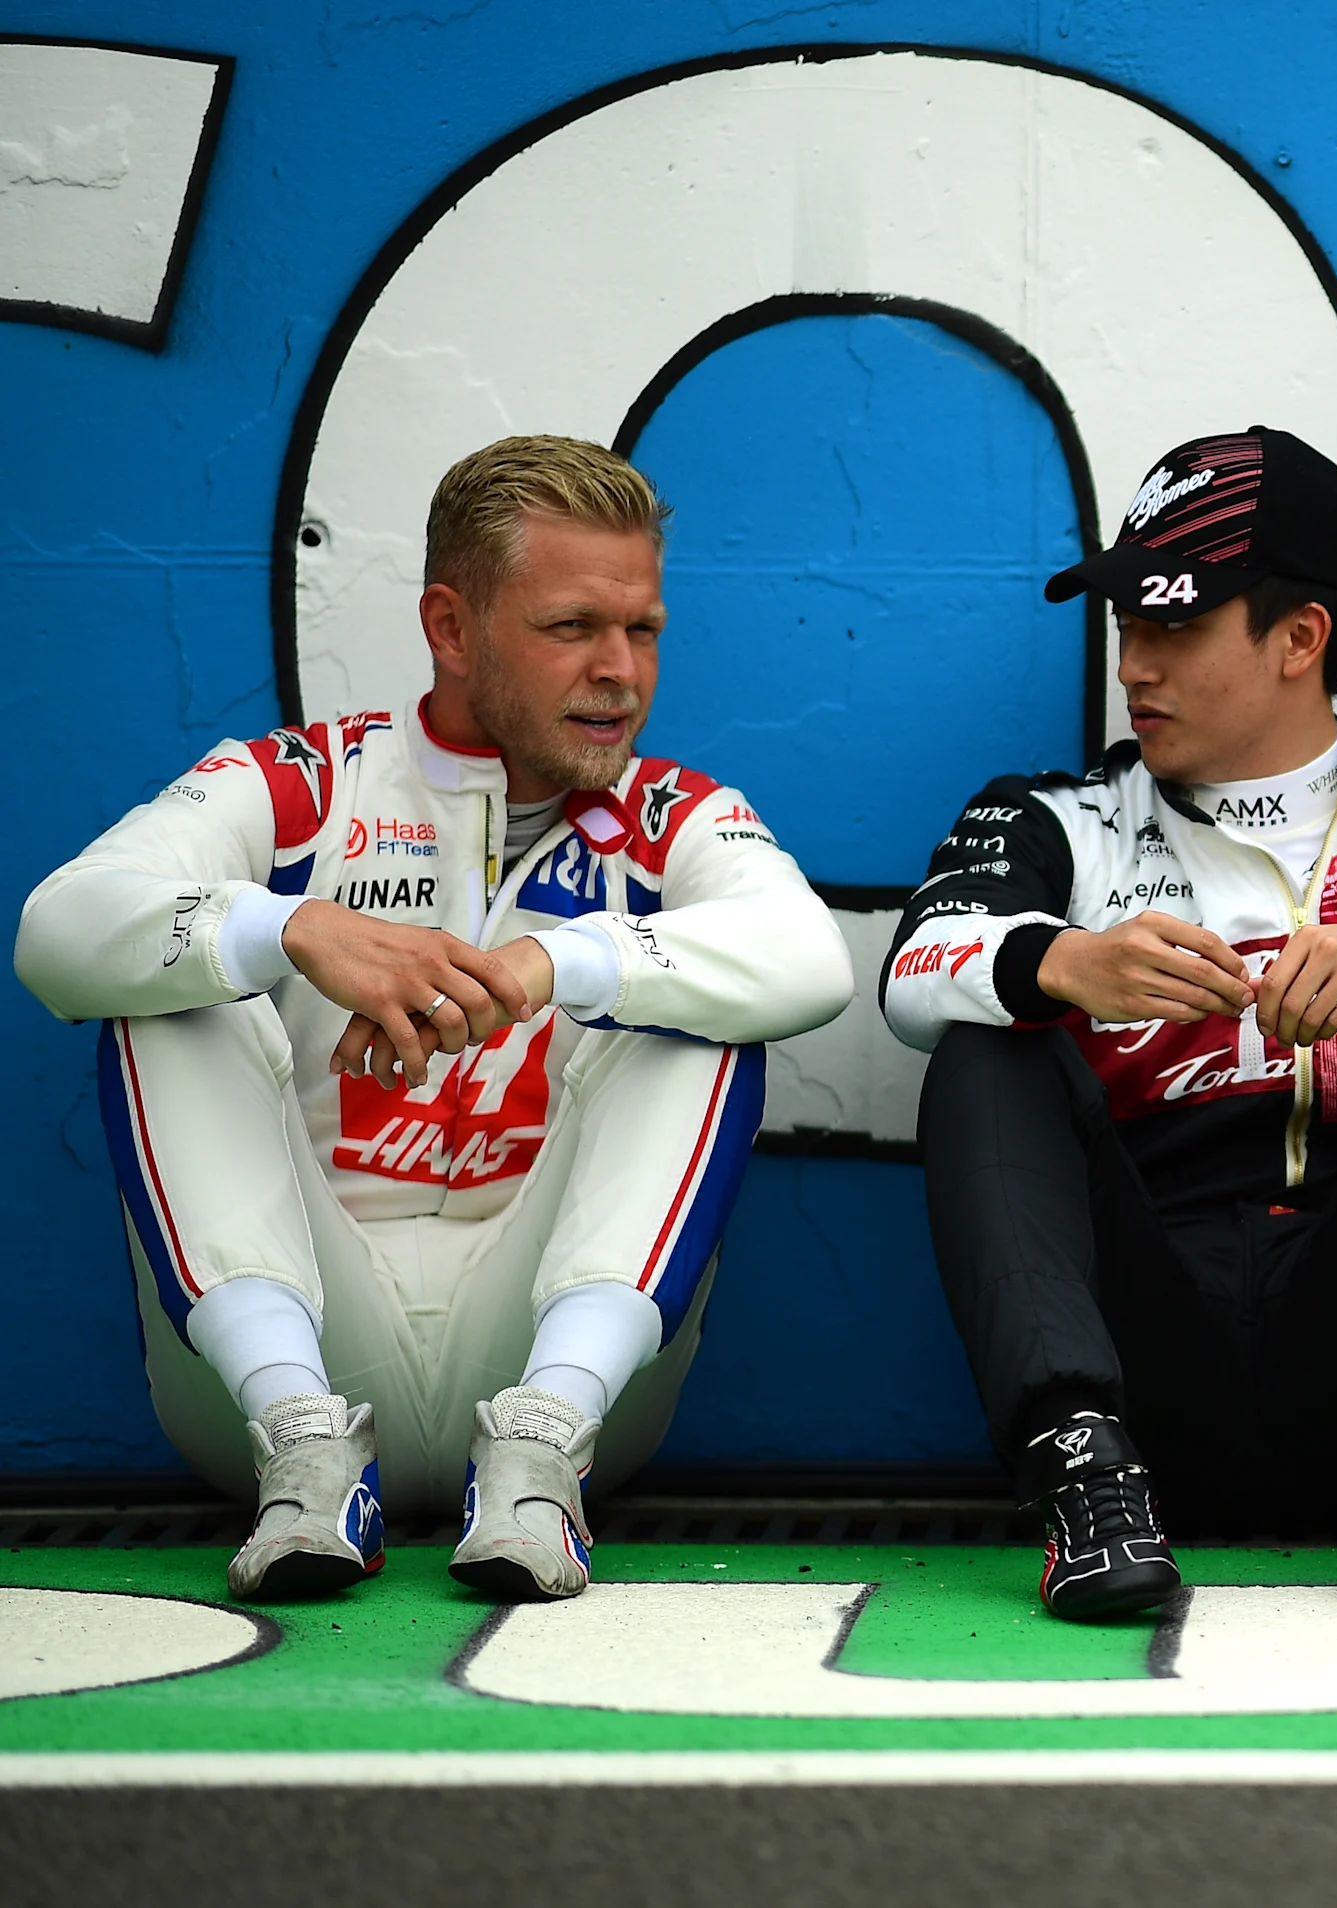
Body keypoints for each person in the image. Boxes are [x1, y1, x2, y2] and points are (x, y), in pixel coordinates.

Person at [17, 435, 851, 1604]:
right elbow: (56, 930)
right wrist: (289, 929)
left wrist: (557, 962)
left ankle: (544, 1439)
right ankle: (303, 1444)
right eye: (572, 627)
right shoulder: (306, 785)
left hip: (554, 1374)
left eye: (643, 629)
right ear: (451, 629)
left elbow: (811, 960)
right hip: (285, 1366)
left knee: (702, 1007)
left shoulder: (674, 814)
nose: (620, 671)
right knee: (169, 982)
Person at [886, 426, 1337, 1622]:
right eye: (1125, 627)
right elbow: (913, 973)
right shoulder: (1053, 821)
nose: (1133, 667)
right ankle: (1077, 1473)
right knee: (982, 1034)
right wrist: (1062, 963)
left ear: (1300, 639)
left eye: (1170, 628)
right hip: (1140, 1370)